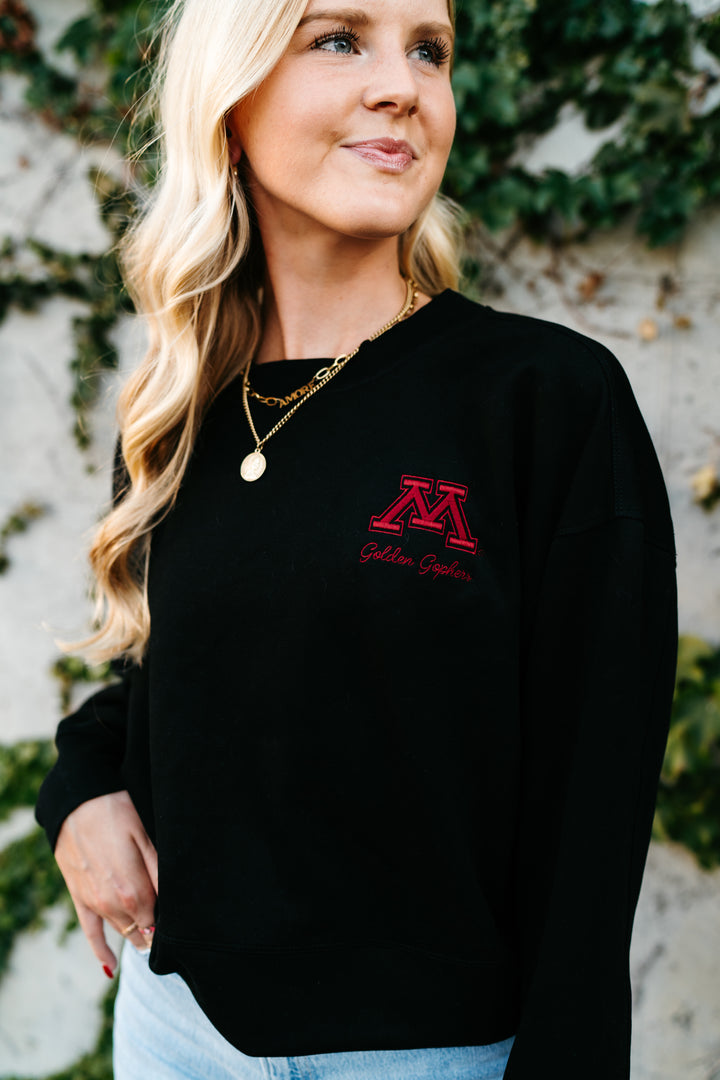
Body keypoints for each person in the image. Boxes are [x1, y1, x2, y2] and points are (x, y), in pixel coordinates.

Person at [35, 0, 678, 1077]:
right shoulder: (184, 413)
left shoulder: (543, 401)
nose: (404, 85)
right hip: (179, 1026)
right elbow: (185, 680)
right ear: (230, 101)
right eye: (340, 38)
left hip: (427, 1051)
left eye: (429, 50)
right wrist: (80, 790)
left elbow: (594, 803)